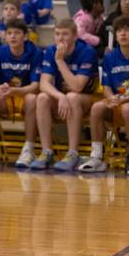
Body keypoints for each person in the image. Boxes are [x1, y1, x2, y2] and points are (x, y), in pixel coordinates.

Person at [30, 19, 98, 171]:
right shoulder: (49, 50)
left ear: (75, 36)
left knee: (73, 96)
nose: (60, 38)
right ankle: (46, 152)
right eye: (57, 34)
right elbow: (44, 84)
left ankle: (73, 153)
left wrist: (60, 62)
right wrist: (60, 96)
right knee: (42, 97)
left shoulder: (87, 51)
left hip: (85, 100)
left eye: (65, 34)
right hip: (62, 99)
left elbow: (77, 86)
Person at [0, 18, 41, 167]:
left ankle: (28, 150)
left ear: (25, 36)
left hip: (23, 95)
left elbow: (36, 86)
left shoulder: (35, 52)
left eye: (17, 33)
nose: (13, 36)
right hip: (4, 97)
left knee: (32, 99)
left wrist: (16, 91)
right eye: (9, 33)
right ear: (5, 36)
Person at [79, 15, 129, 173]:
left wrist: (122, 100)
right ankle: (97, 156)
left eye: (127, 30)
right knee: (97, 108)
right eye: (119, 31)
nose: (123, 34)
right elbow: (107, 86)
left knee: (128, 109)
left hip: (126, 103)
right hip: (118, 101)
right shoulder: (110, 57)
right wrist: (110, 98)